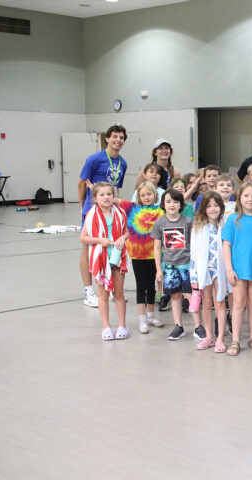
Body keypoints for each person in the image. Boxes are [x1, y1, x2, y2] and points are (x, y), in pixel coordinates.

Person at [78, 125, 128, 308]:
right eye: (114, 136)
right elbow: (82, 183)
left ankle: (108, 284)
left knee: (109, 246)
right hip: (92, 210)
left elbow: (115, 188)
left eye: (121, 137)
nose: (118, 140)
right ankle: (88, 291)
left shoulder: (123, 163)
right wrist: (83, 206)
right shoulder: (94, 159)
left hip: (110, 210)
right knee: (89, 248)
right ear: (107, 138)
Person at [222, 183, 252, 356]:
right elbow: (226, 245)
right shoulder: (232, 219)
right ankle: (235, 339)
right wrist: (229, 269)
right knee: (238, 303)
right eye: (246, 196)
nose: (250, 199)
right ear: (239, 198)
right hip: (238, 270)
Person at [80, 181, 129, 340]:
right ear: (95, 198)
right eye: (102, 195)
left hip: (117, 256)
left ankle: (122, 324)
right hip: (100, 258)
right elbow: (83, 237)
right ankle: (106, 326)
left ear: (114, 196)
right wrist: (100, 241)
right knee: (103, 295)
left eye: (109, 194)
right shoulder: (91, 215)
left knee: (119, 294)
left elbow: (126, 232)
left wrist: (122, 237)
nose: (106, 197)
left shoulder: (120, 213)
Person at [116, 181, 165, 334]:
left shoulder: (160, 212)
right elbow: (115, 200)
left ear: (155, 195)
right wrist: (94, 189)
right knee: (140, 286)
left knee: (152, 286)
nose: (146, 197)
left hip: (154, 255)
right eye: (143, 195)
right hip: (137, 255)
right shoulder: (133, 209)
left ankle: (151, 316)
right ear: (139, 197)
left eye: (149, 194)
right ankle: (142, 319)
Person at [190, 191, 229, 352]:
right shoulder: (198, 227)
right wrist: (194, 276)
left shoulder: (225, 224)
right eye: (209, 206)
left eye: (216, 205)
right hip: (204, 270)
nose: (213, 209)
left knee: (219, 303)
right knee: (206, 304)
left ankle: (220, 338)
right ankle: (208, 336)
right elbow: (193, 253)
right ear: (203, 209)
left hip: (220, 270)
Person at [152, 189, 193, 341]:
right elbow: (157, 248)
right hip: (169, 266)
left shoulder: (188, 222)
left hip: (187, 265)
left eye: (176, 202)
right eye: (168, 201)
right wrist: (158, 269)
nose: (172, 205)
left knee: (191, 295)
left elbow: (193, 244)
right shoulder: (160, 223)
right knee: (175, 296)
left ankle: (198, 326)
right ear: (163, 204)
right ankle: (178, 326)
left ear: (181, 204)